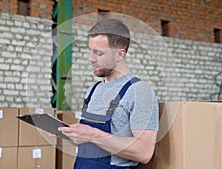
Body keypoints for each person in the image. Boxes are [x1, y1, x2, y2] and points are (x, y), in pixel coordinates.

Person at [58, 18, 159, 169]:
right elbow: (95, 142)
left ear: (119, 54)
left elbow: (144, 152)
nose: (91, 59)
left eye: (98, 53)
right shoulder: (94, 89)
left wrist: (93, 134)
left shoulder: (139, 91)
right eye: (90, 51)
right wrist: (72, 134)